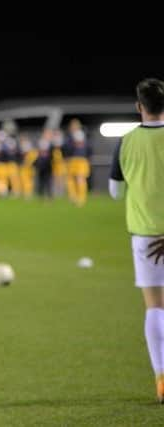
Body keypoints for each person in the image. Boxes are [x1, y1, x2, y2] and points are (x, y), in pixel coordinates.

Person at [109, 77, 164, 403]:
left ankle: (161, 377)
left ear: (139, 106)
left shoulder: (126, 142)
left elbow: (115, 192)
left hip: (146, 235)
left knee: (156, 306)